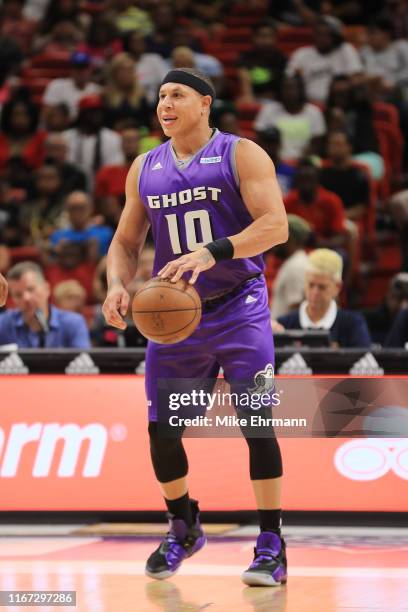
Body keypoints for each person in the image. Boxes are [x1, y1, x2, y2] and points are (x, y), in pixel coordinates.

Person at [102, 67, 289, 586]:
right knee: (163, 431)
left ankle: (271, 543)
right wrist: (117, 284)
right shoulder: (145, 167)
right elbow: (124, 242)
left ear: (205, 103)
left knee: (257, 424)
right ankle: (183, 524)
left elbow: (276, 224)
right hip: (178, 320)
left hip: (239, 306)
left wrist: (214, 252)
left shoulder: (240, 152)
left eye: (177, 95)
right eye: (161, 96)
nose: (165, 103)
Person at [277, 249, 371, 347]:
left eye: (322, 287)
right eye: (311, 285)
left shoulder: (353, 325)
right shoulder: (284, 325)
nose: (315, 292)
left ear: (337, 287)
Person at [0, 261, 90, 348]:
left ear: (46, 289)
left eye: (31, 289)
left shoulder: (73, 323)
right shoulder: (4, 323)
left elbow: (84, 361)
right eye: (18, 295)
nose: (26, 298)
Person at [286, 16, 363, 103]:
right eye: (319, 34)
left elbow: (357, 78)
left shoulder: (345, 49)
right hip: (307, 104)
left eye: (326, 35)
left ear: (335, 37)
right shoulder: (301, 54)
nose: (321, 38)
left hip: (339, 104)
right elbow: (289, 80)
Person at [254, 74, 326, 161]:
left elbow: (316, 145)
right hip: (274, 160)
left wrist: (299, 160)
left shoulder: (314, 112)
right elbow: (261, 139)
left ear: (301, 90)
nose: (289, 92)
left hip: (304, 162)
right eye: (286, 88)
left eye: (293, 88)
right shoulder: (268, 110)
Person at [270, 215, 311, 318]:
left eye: (277, 235)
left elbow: (296, 308)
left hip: (285, 331)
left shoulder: (296, 267)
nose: (273, 241)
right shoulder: (293, 262)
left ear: (290, 238)